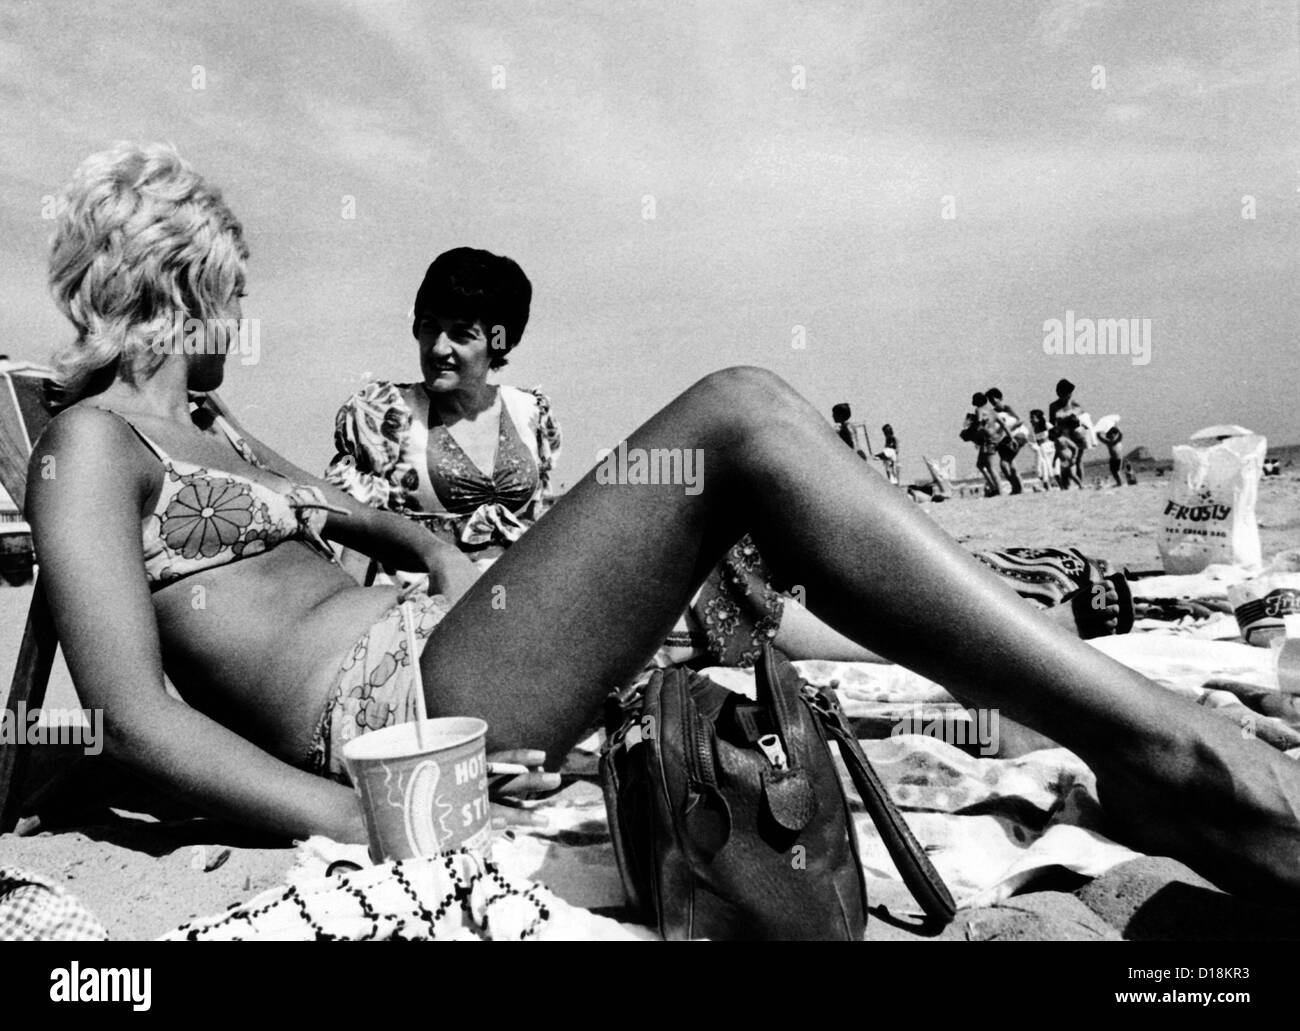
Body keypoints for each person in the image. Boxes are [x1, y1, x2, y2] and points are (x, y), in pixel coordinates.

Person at [28, 143, 1300, 901]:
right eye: (228, 289)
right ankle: (1165, 755)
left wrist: (438, 552)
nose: (235, 317)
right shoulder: (90, 448)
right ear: (178, 277)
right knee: (735, 421)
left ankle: (1092, 711)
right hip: (391, 709)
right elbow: (135, 721)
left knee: (745, 546)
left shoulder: (223, 428)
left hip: (446, 635)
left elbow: (373, 521)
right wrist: (366, 817)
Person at [325, 249, 561, 574]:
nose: (438, 348)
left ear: (498, 340)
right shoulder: (385, 415)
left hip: (519, 600)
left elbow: (543, 526)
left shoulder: (530, 412)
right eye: (429, 327)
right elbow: (358, 538)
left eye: (461, 334)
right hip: (426, 610)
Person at [1049, 378, 1089, 485]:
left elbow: (1084, 419)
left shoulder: (1075, 403)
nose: (1069, 396)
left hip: (1077, 434)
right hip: (1064, 436)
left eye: (1070, 393)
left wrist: (1076, 419)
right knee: (1065, 461)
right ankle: (1067, 485)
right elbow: (1052, 424)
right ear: (1060, 393)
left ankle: (1081, 484)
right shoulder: (1053, 406)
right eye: (1067, 393)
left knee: (1078, 460)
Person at [1028, 409, 1055, 490]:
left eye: (1033, 417)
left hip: (1049, 447)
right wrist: (1035, 447)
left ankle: (1050, 483)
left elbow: (1055, 432)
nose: (1031, 420)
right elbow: (1030, 441)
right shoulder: (1032, 429)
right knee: (1041, 466)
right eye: (1030, 418)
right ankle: (1046, 484)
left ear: (1039, 418)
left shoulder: (1046, 424)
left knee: (1048, 465)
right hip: (1040, 449)